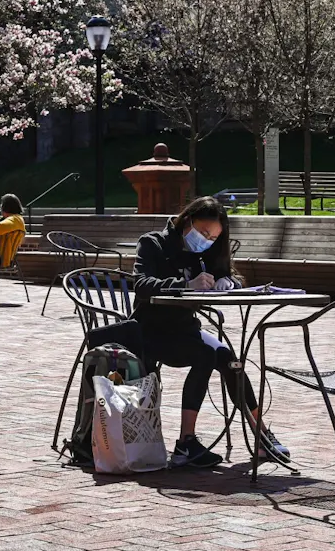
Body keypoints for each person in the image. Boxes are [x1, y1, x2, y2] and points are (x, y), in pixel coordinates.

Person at [131, 196, 288, 468]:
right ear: (187, 220)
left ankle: (261, 436)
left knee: (230, 360)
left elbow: (232, 274)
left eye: (213, 238)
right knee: (204, 355)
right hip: (152, 330)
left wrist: (229, 281)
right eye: (203, 233)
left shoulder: (205, 253)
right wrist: (185, 283)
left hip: (186, 328)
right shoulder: (153, 243)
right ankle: (185, 443)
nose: (206, 240)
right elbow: (142, 284)